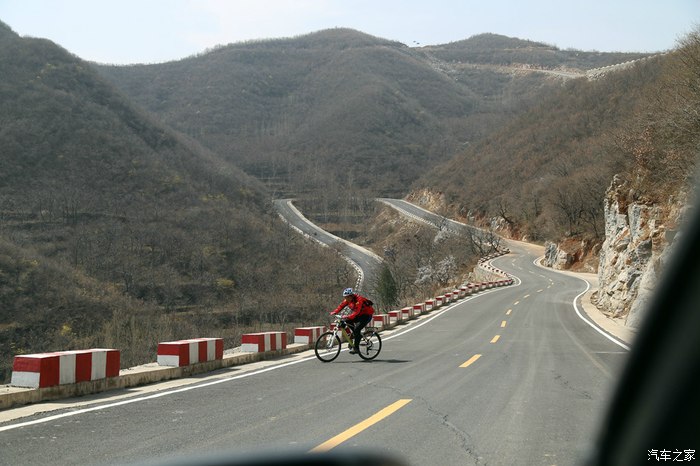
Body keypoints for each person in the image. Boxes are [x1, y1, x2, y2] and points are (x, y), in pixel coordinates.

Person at [331, 287, 375, 354]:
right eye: (345, 297)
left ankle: (356, 348)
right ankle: (353, 336)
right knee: (346, 322)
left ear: (351, 296)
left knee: (357, 329)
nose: (346, 299)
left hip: (366, 315)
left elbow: (356, 312)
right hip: (359, 315)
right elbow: (341, 306)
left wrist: (347, 316)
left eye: (347, 297)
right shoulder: (347, 300)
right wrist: (335, 312)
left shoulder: (358, 300)